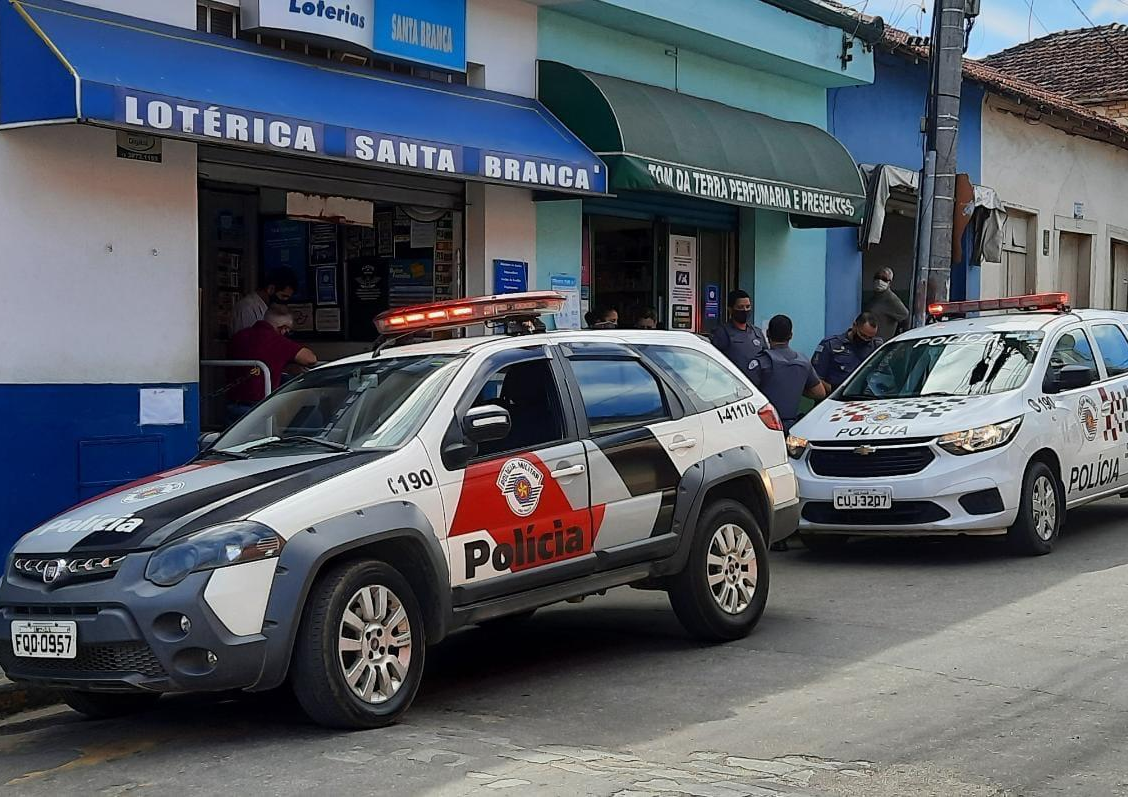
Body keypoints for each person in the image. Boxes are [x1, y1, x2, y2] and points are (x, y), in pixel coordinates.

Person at [226, 306, 317, 422]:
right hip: (259, 409)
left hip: (231, 404)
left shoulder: (238, 336)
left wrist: (284, 365)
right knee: (313, 400)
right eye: (288, 331)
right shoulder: (277, 341)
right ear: (283, 329)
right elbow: (310, 359)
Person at [748, 315, 826, 432]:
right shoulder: (803, 361)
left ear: (768, 334)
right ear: (791, 335)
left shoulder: (761, 362)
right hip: (792, 426)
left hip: (763, 426)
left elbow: (745, 395)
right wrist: (796, 387)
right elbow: (820, 393)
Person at [812, 311, 882, 392]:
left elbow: (884, 375)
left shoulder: (876, 346)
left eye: (870, 338)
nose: (865, 340)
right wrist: (836, 391)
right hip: (835, 398)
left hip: (865, 398)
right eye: (863, 335)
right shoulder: (830, 345)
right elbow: (815, 379)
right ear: (854, 326)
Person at [710, 290, 766, 374]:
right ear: (730, 309)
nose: (745, 310)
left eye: (748, 307)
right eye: (740, 307)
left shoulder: (757, 333)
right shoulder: (722, 333)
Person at [231, 268, 299, 334]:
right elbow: (246, 341)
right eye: (283, 296)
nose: (285, 300)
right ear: (270, 289)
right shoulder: (247, 308)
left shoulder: (268, 308)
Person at [867, 267, 909, 342]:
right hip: (869, 339)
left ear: (889, 282)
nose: (880, 281)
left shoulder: (891, 299)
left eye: (884, 279)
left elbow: (905, 315)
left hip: (881, 342)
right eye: (877, 277)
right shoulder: (875, 297)